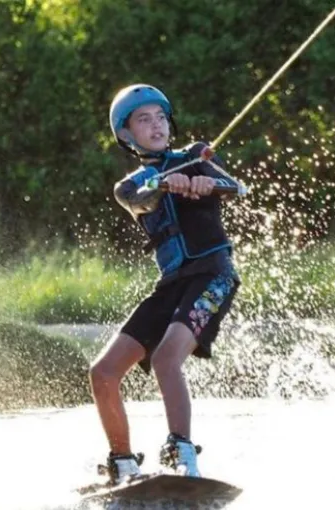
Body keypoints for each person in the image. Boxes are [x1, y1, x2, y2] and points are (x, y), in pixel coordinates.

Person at [88, 83, 243, 486]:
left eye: (160, 117)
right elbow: (143, 198)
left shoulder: (197, 157)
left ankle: (182, 452)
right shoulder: (128, 186)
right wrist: (165, 184)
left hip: (213, 275)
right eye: (144, 120)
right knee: (103, 373)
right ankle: (122, 463)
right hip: (172, 283)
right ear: (126, 135)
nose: (156, 125)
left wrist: (205, 182)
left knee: (165, 358)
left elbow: (236, 188)